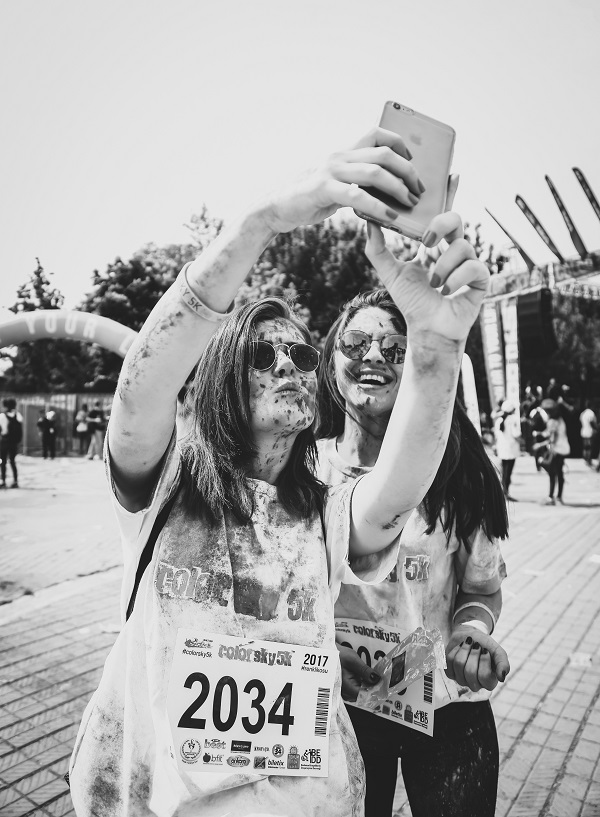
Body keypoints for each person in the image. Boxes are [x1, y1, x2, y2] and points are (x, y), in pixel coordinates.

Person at [68, 128, 490, 817]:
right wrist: (262, 221)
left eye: (299, 355)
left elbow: (397, 491)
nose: (291, 365)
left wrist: (438, 345)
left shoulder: (321, 510)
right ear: (222, 382)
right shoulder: (164, 488)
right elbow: (141, 387)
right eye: (263, 358)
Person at [316, 289, 509, 817]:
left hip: (448, 708)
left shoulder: (460, 471)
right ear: (332, 357)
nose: (373, 357)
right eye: (356, 342)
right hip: (334, 709)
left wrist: (473, 631)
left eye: (396, 348)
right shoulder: (302, 470)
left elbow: (482, 588)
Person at [541, 399, 570, 505]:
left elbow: (552, 438)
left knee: (552, 473)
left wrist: (541, 444)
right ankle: (559, 497)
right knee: (560, 473)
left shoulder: (552, 421)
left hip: (555, 450)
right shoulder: (561, 420)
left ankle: (551, 496)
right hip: (563, 448)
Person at [493, 400, 521, 501]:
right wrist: (521, 441)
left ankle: (502, 491)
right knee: (508, 472)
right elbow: (516, 434)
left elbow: (496, 436)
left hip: (502, 449)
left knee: (504, 471)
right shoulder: (512, 419)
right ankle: (505, 492)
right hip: (511, 450)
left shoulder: (499, 420)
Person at [0, 398, 23, 488]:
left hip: (4, 441)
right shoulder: (18, 415)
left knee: (3, 461)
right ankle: (15, 481)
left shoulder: (2, 416)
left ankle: (3, 480)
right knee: (13, 461)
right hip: (14, 442)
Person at [579, 400, 597, 466]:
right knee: (589, 447)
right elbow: (591, 422)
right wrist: (596, 428)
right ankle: (589, 460)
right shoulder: (591, 413)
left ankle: (585, 458)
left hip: (583, 430)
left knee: (585, 446)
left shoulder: (583, 413)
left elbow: (580, 423)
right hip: (590, 431)